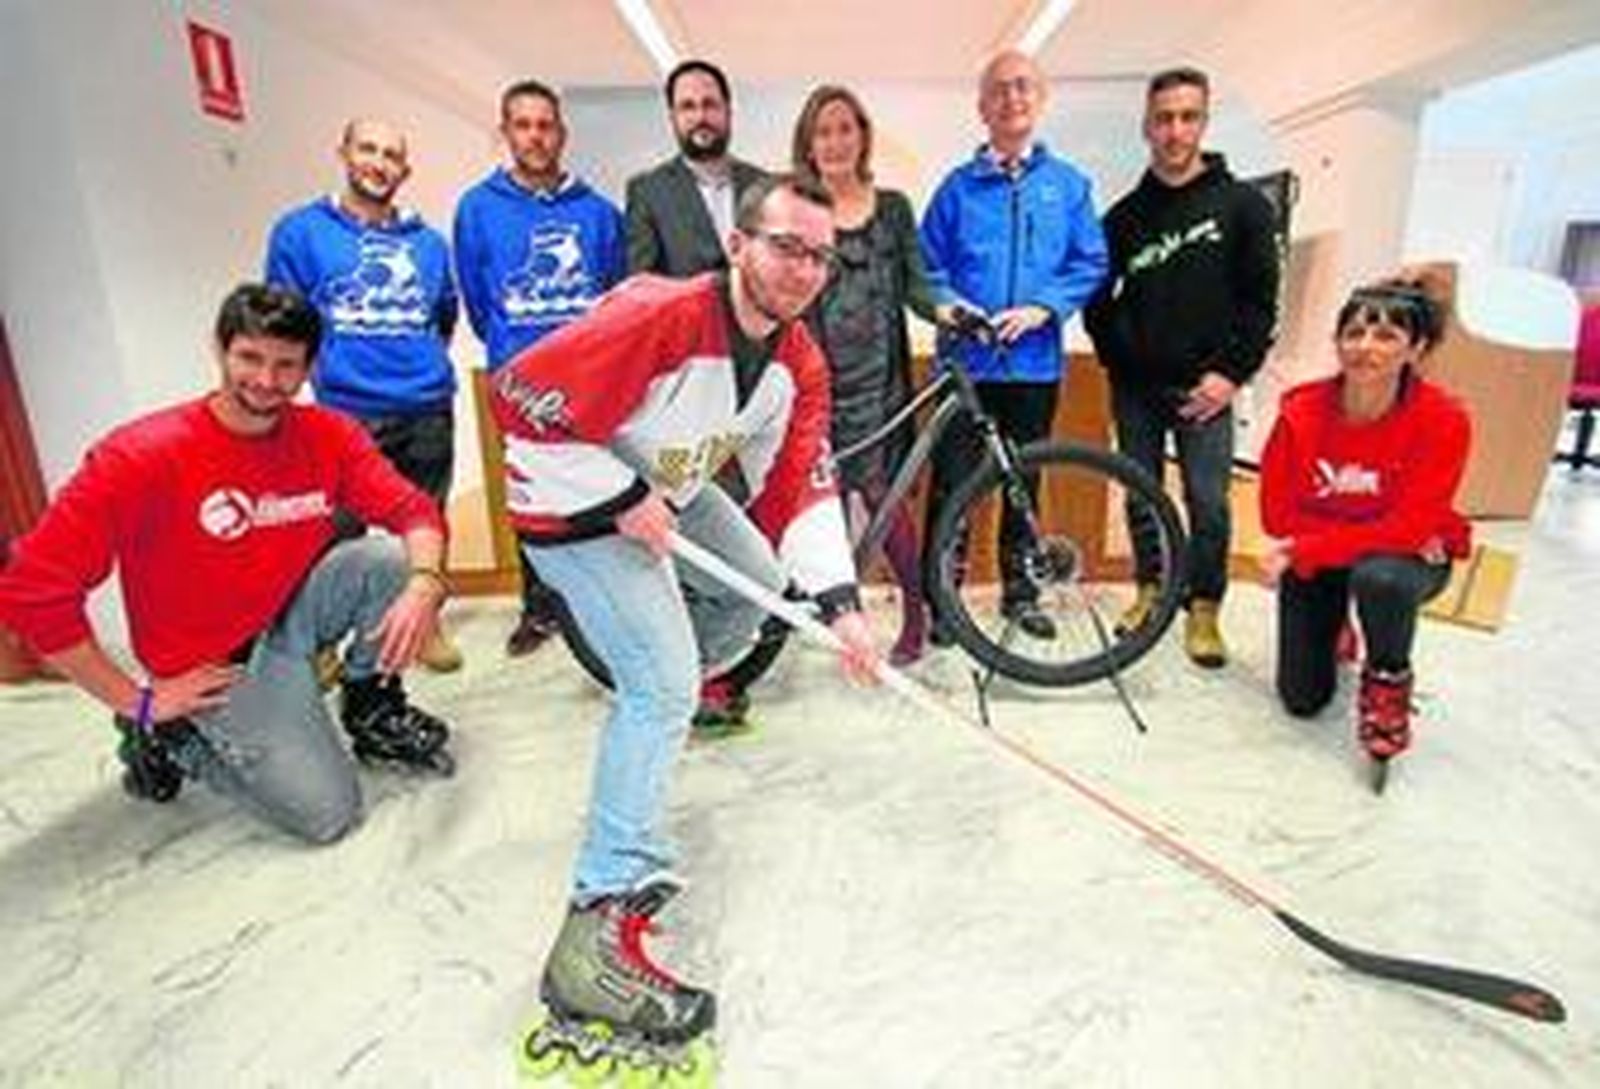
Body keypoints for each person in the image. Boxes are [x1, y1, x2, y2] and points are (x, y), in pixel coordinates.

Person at [493, 175, 878, 1070]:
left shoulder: (797, 360)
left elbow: (801, 481)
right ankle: (596, 921)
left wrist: (843, 603)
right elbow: (520, 402)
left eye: (820, 255)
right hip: (569, 499)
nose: (803, 269)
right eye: (786, 245)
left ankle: (652, 689)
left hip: (662, 485)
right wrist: (621, 497)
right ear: (739, 244)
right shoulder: (659, 316)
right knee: (665, 683)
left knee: (753, 582)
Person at [0, 284, 454, 842]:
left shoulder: (328, 434)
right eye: (250, 358)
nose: (266, 380)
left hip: (287, 619)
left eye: (286, 365)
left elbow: (413, 512)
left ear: (310, 367)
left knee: (388, 563)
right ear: (219, 350)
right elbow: (30, 591)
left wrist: (426, 585)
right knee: (326, 815)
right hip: (210, 665)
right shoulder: (140, 456)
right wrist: (138, 701)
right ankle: (170, 737)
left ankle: (370, 709)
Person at [1085, 67, 1281, 669]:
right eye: (1164, 117)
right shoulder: (1122, 219)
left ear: (1204, 121)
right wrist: (1125, 360)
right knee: (1141, 496)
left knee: (1208, 501)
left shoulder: (1244, 207)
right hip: (1137, 391)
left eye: (1187, 116)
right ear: (1148, 125)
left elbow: (1260, 304)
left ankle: (1203, 607)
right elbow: (1097, 303)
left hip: (1210, 390)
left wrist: (1229, 375)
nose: (1175, 130)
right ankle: (1152, 590)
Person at [919, 49, 1108, 641]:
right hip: (966, 369)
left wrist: (1043, 308)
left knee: (1025, 481)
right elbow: (925, 268)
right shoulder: (956, 190)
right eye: (999, 89)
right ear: (982, 107)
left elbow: (1090, 261)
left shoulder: (1069, 187)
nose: (1012, 98)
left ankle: (1021, 593)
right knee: (952, 483)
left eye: (1023, 87)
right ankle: (941, 598)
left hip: (1033, 367)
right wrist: (957, 307)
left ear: (1041, 98)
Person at [263, 118, 463, 674]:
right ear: (344, 152)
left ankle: (426, 622)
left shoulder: (428, 243)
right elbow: (285, 320)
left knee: (426, 520)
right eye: (367, 149)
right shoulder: (300, 232)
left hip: (426, 406)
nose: (378, 162)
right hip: (346, 411)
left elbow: (443, 315)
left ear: (406, 169)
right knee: (337, 529)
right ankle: (323, 636)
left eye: (391, 155)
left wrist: (414, 362)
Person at [1259, 279, 1472, 769]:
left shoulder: (1444, 419)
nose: (1364, 348)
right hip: (1333, 549)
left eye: (1386, 337)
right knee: (1302, 699)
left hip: (1400, 560)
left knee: (1382, 577)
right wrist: (1367, 530)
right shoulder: (1300, 410)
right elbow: (1277, 514)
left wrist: (1307, 547)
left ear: (1416, 349)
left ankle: (1387, 682)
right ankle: (1339, 628)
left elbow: (1412, 527)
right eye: (1353, 334)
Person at [454, 80, 627, 658]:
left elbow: (616, 301)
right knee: (530, 499)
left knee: (596, 489)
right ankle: (540, 606)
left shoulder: (599, 213)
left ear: (562, 133)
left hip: (592, 385)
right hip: (519, 383)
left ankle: (597, 602)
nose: (535, 136)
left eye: (545, 125)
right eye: (523, 125)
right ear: (505, 132)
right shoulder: (477, 209)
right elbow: (480, 307)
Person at [792, 84, 938, 665]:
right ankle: (835, 615)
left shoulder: (894, 207)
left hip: (880, 385)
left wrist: (948, 310)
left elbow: (918, 284)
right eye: (822, 131)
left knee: (884, 499)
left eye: (844, 128)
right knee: (818, 504)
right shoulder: (799, 212)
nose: (834, 141)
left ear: (862, 135)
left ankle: (915, 612)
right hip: (813, 381)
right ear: (808, 141)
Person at [625, 59, 767, 277]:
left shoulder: (765, 187)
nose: (700, 117)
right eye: (687, 107)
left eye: (710, 104)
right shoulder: (648, 192)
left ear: (728, 110)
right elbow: (644, 286)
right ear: (672, 117)